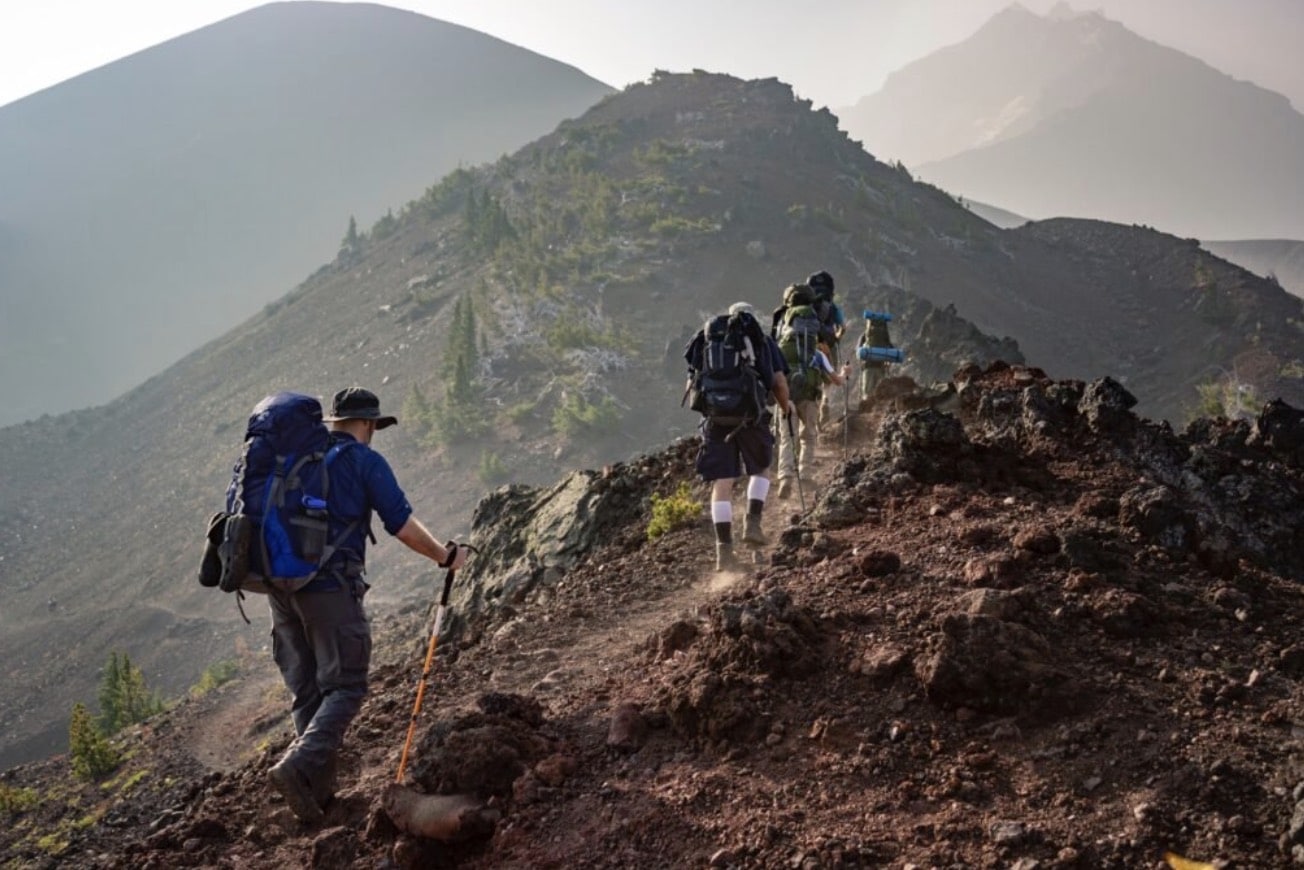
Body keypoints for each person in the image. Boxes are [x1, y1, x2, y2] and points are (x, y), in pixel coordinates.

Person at [266, 386, 468, 823]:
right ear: (369, 424)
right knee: (347, 686)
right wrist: (445, 556)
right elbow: (401, 524)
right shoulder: (363, 461)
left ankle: (315, 800)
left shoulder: (296, 459)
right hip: (330, 588)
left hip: (279, 589)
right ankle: (298, 767)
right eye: (374, 425)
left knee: (310, 691)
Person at [684, 303, 790, 571]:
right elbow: (778, 382)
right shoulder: (760, 341)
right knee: (761, 469)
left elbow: (692, 383)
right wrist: (786, 409)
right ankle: (752, 523)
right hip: (750, 416)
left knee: (722, 483)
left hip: (715, 419)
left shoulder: (706, 341)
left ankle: (724, 553)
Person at [776, 325, 852, 499]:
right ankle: (805, 475)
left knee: (787, 437)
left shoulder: (780, 352)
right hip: (809, 400)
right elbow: (836, 380)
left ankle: (785, 477)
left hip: (785, 399)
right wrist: (845, 373)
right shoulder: (817, 355)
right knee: (809, 437)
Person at [806, 270, 847, 425]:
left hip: (810, 345)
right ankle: (826, 400)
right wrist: (836, 338)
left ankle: (813, 407)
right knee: (829, 377)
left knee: (812, 376)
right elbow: (843, 327)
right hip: (828, 345)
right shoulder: (833, 307)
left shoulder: (807, 307)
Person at [857, 312, 896, 403]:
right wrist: (888, 361)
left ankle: (867, 410)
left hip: (868, 368)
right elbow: (891, 349)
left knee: (867, 393)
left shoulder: (866, 336)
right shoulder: (884, 336)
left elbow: (859, 353)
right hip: (880, 367)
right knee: (881, 394)